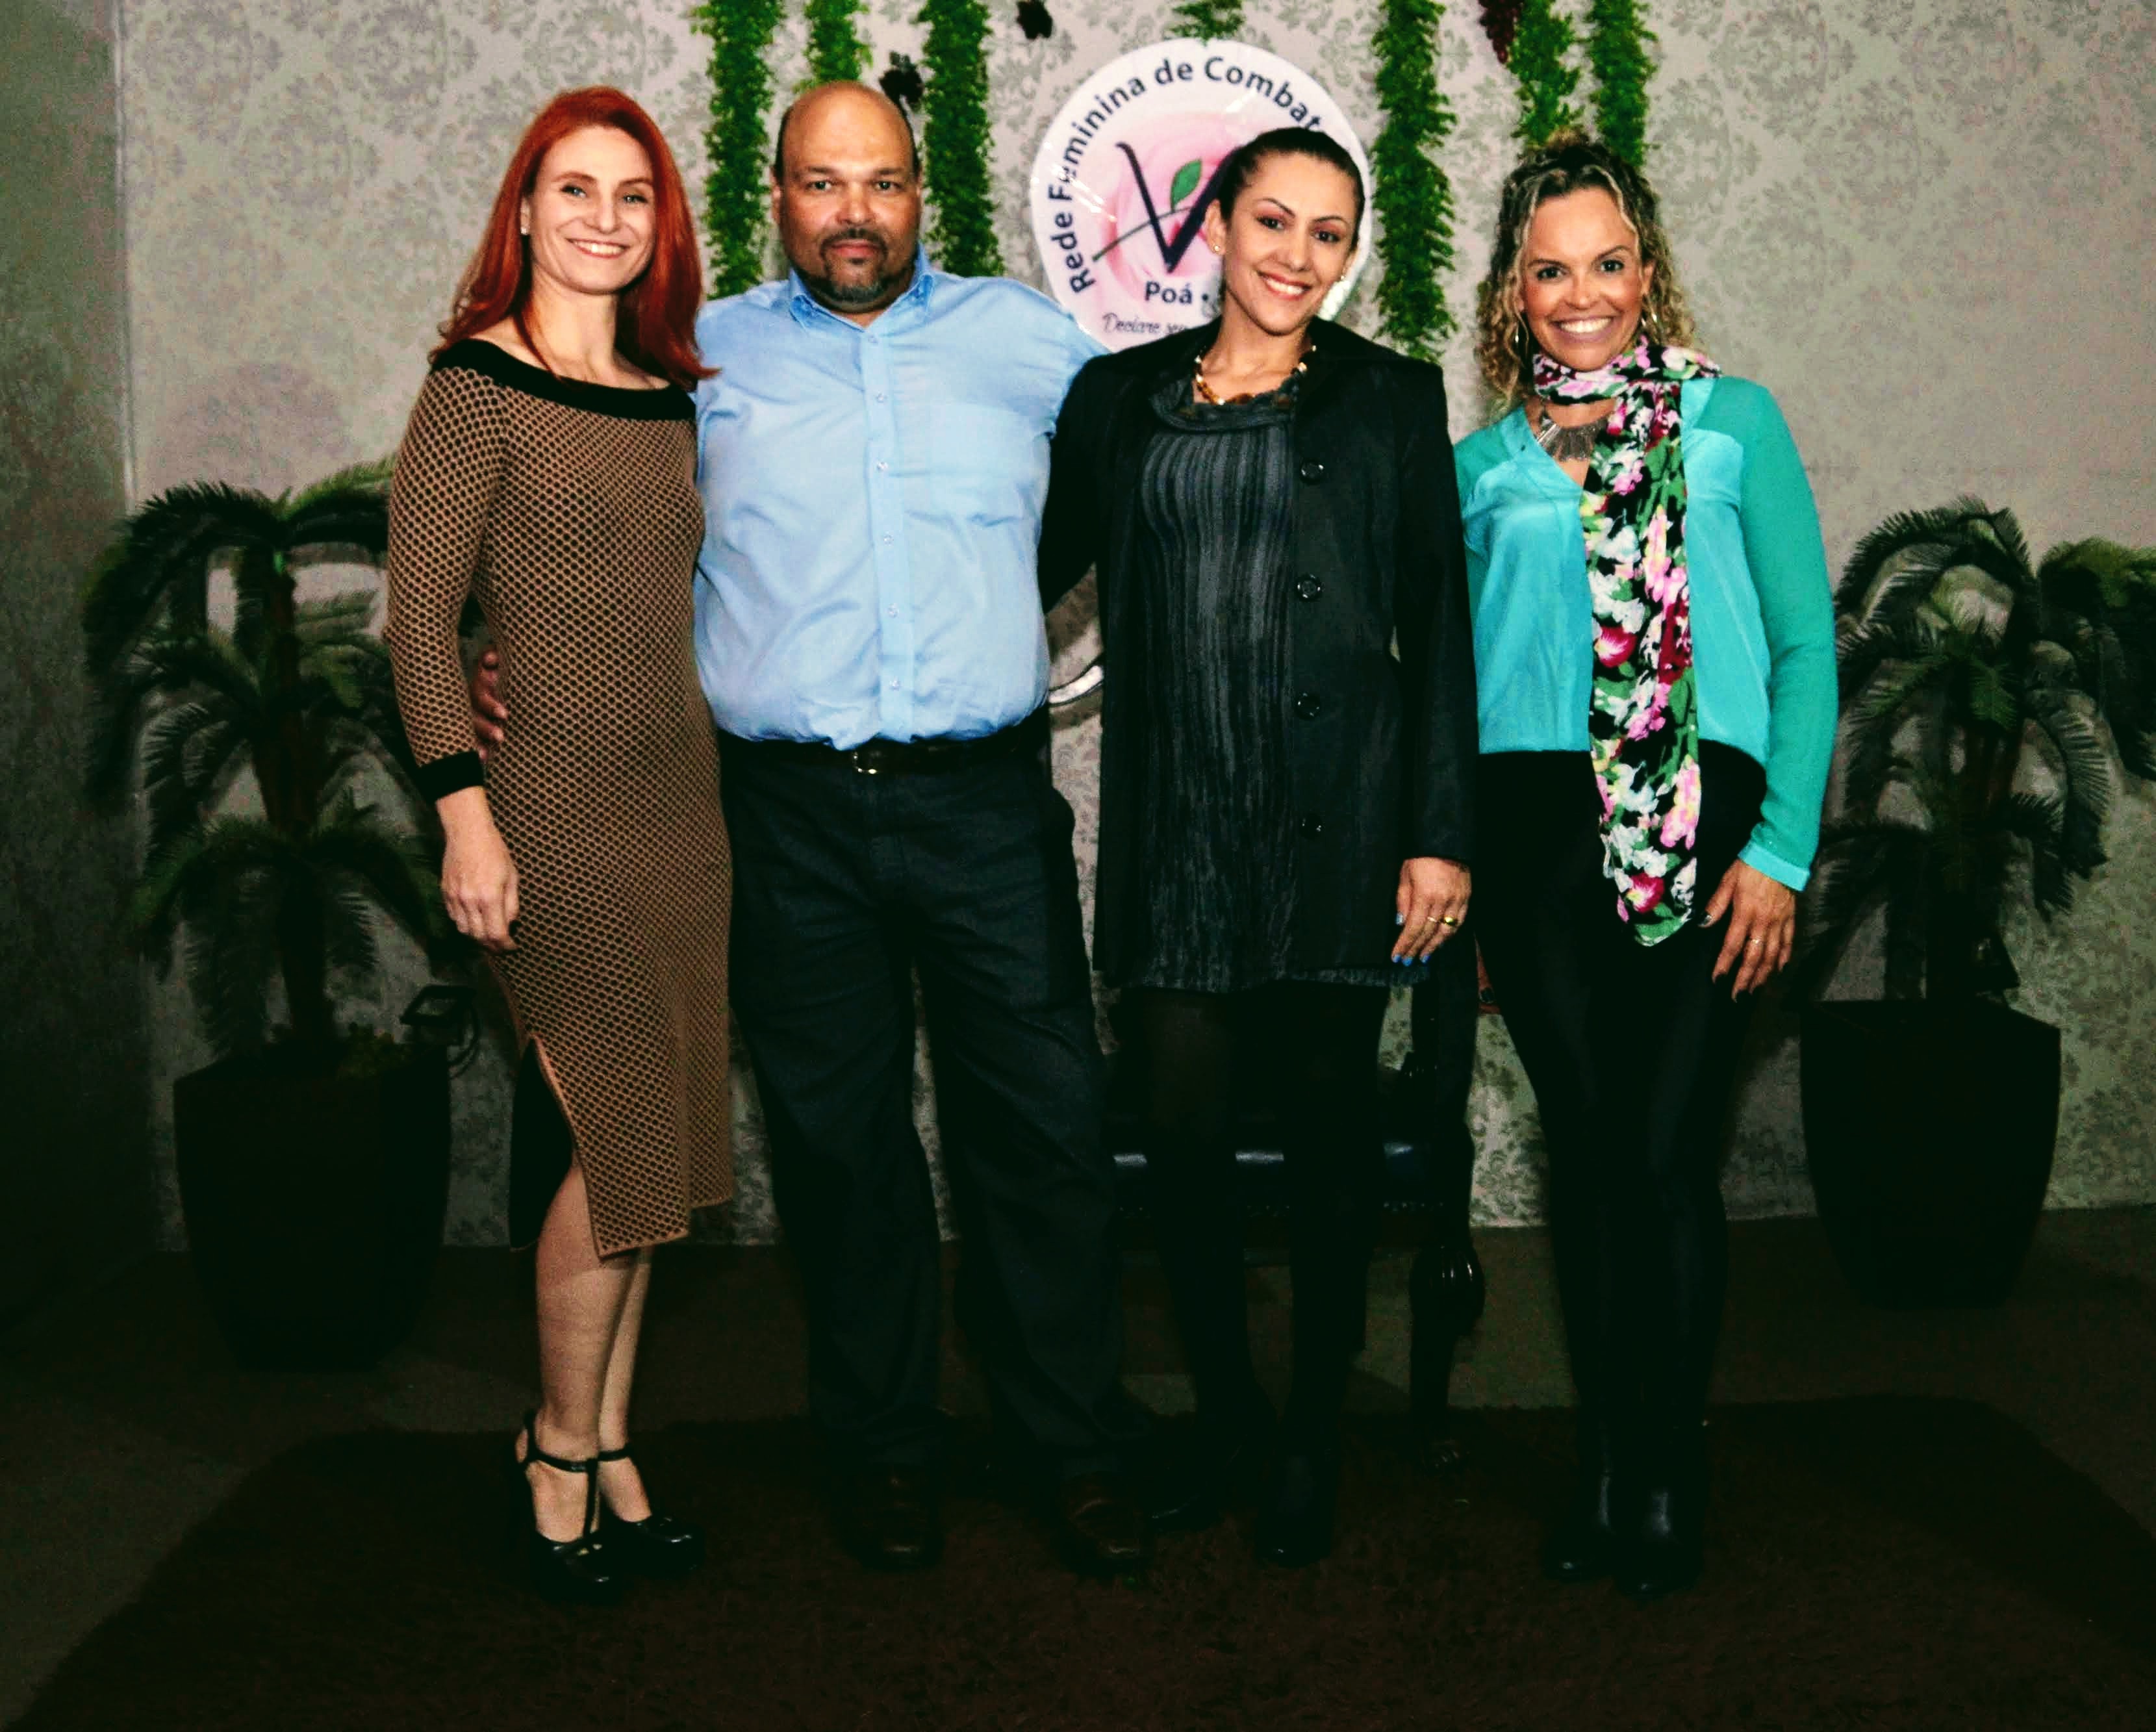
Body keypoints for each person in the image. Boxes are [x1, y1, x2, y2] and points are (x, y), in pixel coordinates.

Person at [474, 82, 1150, 1577]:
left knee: (1043, 1132)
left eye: (884, 182)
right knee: (840, 1150)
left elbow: (1128, 486)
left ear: (922, 194)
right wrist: (498, 649)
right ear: (777, 195)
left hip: (983, 804)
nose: (856, 212)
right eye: (824, 182)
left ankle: (1076, 1447)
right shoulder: (700, 359)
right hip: (782, 817)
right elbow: (593, 527)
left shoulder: (1028, 341)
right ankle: (884, 1450)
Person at [1037, 128, 1477, 1567]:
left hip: (1334, 827)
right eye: (1274, 221)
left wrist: (1437, 836)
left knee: (1332, 1142)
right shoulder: (1116, 400)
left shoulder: (1390, 398)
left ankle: (1310, 1439)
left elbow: (1439, 626)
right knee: (1183, 1147)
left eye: (1329, 233)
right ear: (1216, 224)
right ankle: (1228, 1413)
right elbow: (1018, 571)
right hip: (1178, 831)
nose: (1298, 255)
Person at [1456, 131, 1836, 1599]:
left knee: (1666, 1152)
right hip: (1531, 835)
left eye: (1607, 263)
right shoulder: (1478, 468)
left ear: (1648, 267)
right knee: (1591, 1153)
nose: (1583, 296)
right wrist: (1461, 873)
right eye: (1551, 271)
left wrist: (1781, 848)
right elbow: (1455, 688)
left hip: (1707, 819)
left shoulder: (1732, 422)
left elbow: (1803, 646)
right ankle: (1604, 1466)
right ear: (1512, 291)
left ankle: (1669, 1471)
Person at [387, 86, 728, 1605]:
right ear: (523, 211)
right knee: (613, 1140)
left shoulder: (666, 397)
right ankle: (555, 1449)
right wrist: (463, 810)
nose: (603, 217)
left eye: (632, 194)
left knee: (662, 1158)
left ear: (661, 226)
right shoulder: (477, 385)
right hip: (549, 818)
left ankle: (608, 1438)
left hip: (683, 812)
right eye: (573, 189)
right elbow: (416, 621)